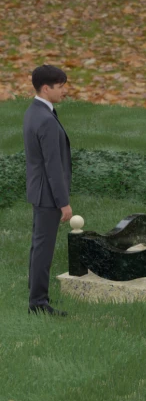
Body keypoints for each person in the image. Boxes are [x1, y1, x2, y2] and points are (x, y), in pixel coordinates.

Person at [23, 65, 72, 316]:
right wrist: (63, 203)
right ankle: (38, 302)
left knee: (38, 245)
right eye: (60, 86)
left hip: (38, 189)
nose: (65, 91)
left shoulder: (34, 111)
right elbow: (53, 166)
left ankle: (35, 292)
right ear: (46, 88)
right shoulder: (46, 120)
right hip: (48, 194)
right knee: (43, 247)